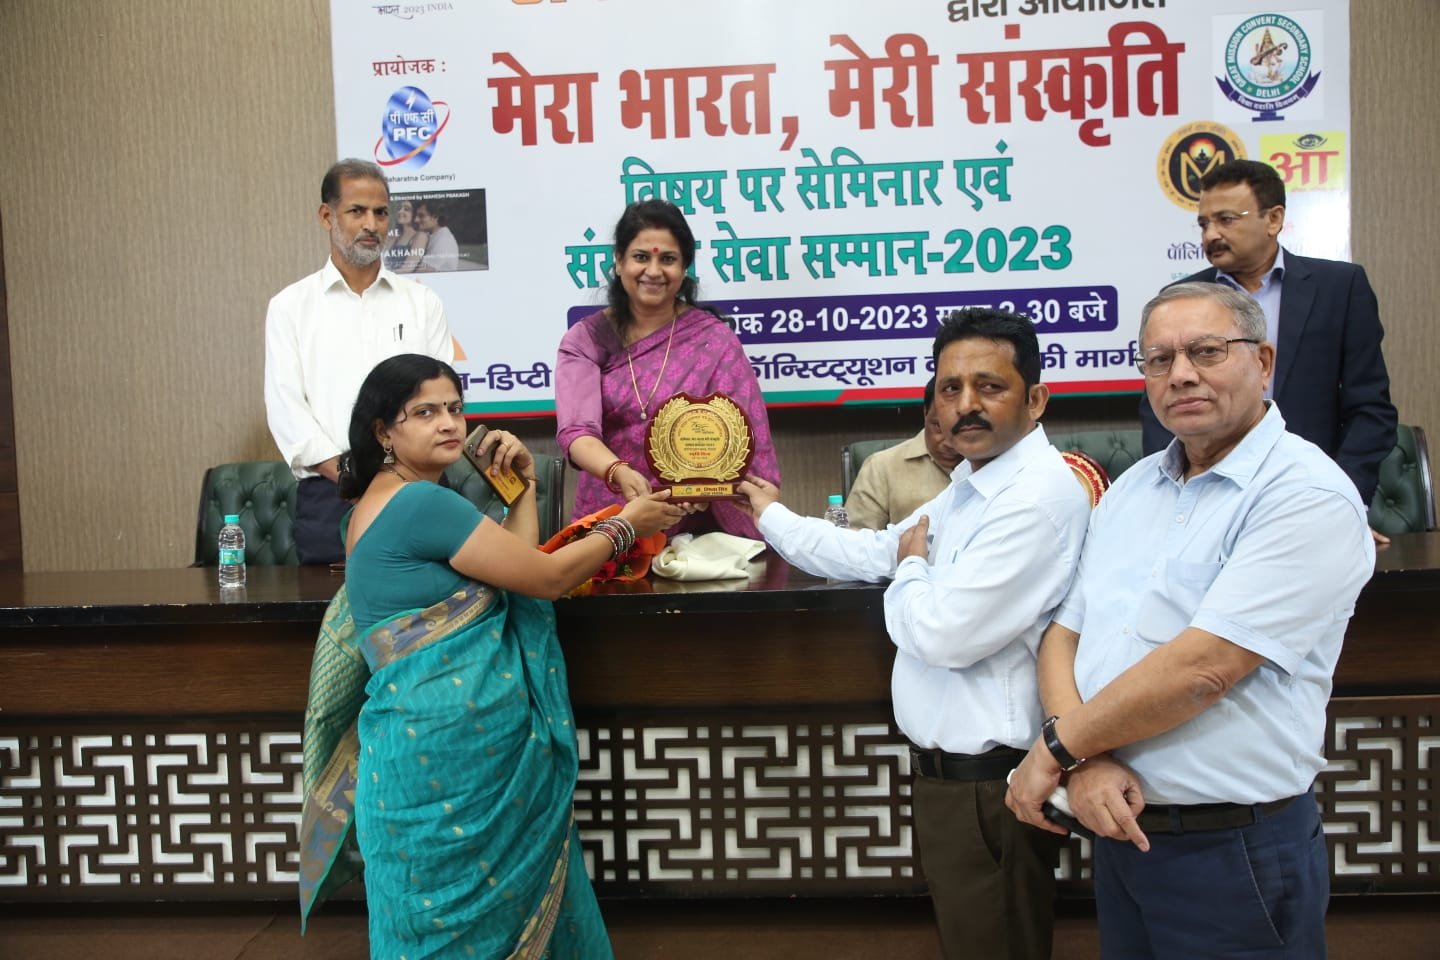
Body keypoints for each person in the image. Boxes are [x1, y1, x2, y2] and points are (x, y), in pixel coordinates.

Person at [1007, 283, 1375, 959]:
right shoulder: (1134, 487)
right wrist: (1086, 759)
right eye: (1159, 359)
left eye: (1206, 351)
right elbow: (1066, 634)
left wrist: (1055, 751)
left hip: (1234, 850)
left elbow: (1203, 670)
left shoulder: (1305, 494)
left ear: (1263, 361)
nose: (1180, 374)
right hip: (1122, 829)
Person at [297, 353, 682, 958]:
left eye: (455, 408)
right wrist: (626, 526)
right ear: (383, 431)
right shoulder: (422, 505)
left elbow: (513, 570)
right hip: (455, 751)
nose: (449, 422)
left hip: (421, 752)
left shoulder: (380, 502)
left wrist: (521, 490)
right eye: (425, 411)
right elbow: (547, 579)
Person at [735, 309, 1090, 960]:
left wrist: (912, 569)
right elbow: (879, 548)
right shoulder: (976, 483)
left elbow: (942, 633)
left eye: (989, 386)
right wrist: (771, 515)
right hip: (958, 782)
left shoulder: (1034, 499)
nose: (966, 404)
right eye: (950, 388)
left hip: (991, 783)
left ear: (1036, 399)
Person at [1139, 159, 1397, 535]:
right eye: (1204, 224)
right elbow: (1159, 412)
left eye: (1226, 220)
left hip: (1309, 497)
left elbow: (1369, 409)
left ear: (1273, 219)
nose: (1211, 235)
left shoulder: (1339, 288)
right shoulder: (1181, 299)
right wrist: (1176, 503)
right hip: (1207, 507)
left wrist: (1341, 506)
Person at [264, 159, 454, 564]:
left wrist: (397, 476)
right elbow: (286, 407)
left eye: (381, 213)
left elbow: (440, 400)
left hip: (419, 489)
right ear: (326, 216)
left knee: (433, 602)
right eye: (357, 211)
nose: (371, 224)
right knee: (332, 603)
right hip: (332, 494)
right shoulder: (290, 307)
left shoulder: (422, 303)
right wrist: (349, 473)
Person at [555, 199, 779, 539]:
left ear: (685, 267)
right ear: (619, 261)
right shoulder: (586, 340)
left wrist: (706, 485)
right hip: (613, 518)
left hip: (698, 526)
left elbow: (743, 437)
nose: (654, 271)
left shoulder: (713, 340)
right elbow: (577, 432)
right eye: (641, 257)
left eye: (668, 259)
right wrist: (618, 472)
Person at [844, 376, 963, 530]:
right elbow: (855, 538)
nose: (949, 443)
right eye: (939, 426)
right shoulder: (881, 467)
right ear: (925, 412)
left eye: (960, 429)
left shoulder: (990, 465)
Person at [383, 198, 428, 274]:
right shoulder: (394, 236)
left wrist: (386, 275)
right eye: (399, 209)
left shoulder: (420, 236)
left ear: (414, 214)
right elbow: (383, 260)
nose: (400, 211)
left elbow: (408, 268)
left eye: (406, 209)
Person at [416, 200, 459, 272]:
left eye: (421, 216)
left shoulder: (444, 241)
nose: (416, 220)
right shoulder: (435, 235)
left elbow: (421, 272)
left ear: (435, 217)